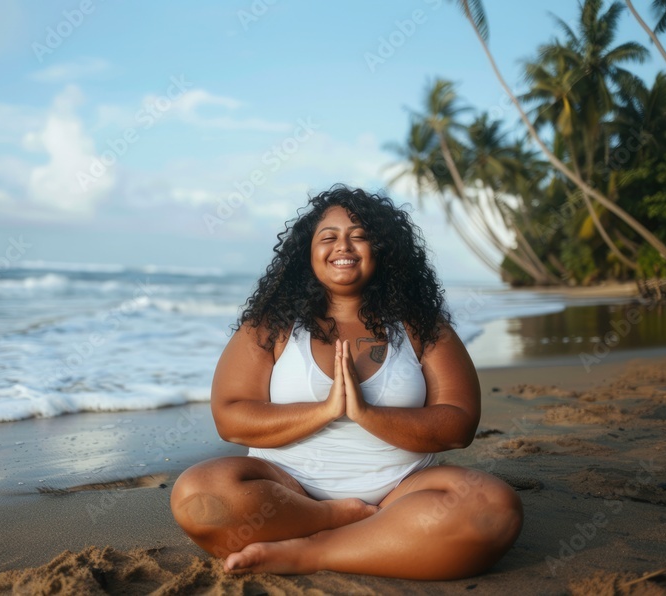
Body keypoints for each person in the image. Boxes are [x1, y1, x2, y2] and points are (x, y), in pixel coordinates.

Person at [169, 184, 523, 579]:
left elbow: (458, 425)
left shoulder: (421, 326)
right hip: (288, 491)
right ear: (308, 252)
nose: (344, 247)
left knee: (493, 509)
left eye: (359, 237)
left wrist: (366, 413)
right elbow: (230, 418)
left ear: (383, 250)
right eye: (329, 237)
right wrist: (326, 411)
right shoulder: (271, 326)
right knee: (198, 495)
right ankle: (336, 520)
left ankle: (314, 551)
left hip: (400, 493)